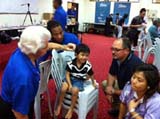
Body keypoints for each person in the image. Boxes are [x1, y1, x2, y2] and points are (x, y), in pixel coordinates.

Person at [0, 26, 74, 119]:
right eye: (45, 45)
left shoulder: (24, 49)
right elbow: (19, 114)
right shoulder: (25, 77)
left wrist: (64, 47)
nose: (48, 46)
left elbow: (47, 46)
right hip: (11, 110)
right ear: (37, 50)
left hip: (16, 97)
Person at [101, 37, 142, 116]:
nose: (113, 52)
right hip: (124, 87)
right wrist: (109, 87)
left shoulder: (133, 65)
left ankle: (125, 111)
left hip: (137, 94)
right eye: (112, 49)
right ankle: (117, 108)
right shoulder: (117, 57)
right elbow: (111, 73)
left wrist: (113, 91)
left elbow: (131, 91)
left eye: (117, 50)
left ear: (126, 51)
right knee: (105, 84)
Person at [54, 43, 97, 119]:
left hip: (79, 80)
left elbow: (91, 74)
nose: (84, 57)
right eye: (82, 55)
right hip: (69, 78)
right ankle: (60, 105)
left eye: (86, 55)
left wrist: (93, 82)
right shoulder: (71, 64)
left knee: (75, 90)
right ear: (76, 55)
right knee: (64, 87)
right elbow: (67, 74)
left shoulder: (87, 65)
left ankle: (71, 109)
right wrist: (69, 84)